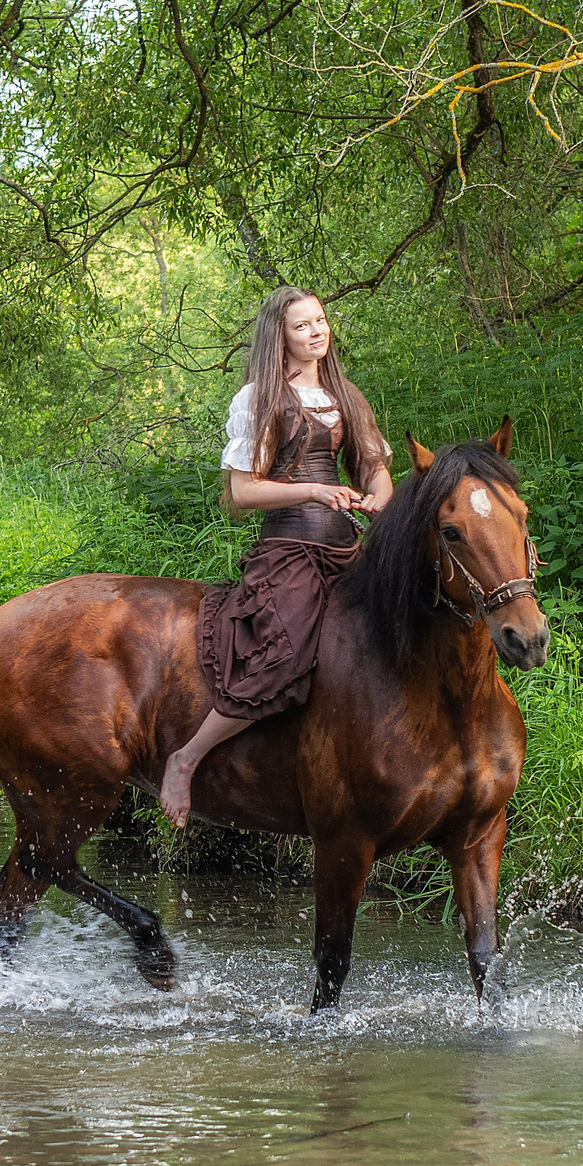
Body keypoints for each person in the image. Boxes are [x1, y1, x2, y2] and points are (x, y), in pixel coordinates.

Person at [161, 285, 394, 827]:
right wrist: (313, 491)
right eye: (302, 325)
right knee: (282, 654)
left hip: (347, 547)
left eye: (320, 320)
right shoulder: (257, 400)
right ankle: (186, 758)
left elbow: (375, 467)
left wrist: (379, 496)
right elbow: (243, 493)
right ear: (280, 337)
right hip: (290, 547)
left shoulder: (347, 395)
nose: (317, 331)